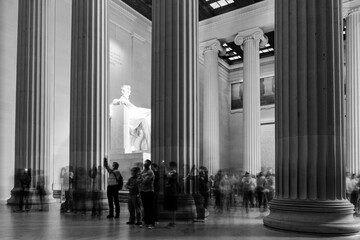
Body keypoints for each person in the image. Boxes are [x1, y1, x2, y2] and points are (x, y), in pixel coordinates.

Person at [112, 85, 151, 151]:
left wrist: (148, 111)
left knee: (144, 121)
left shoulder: (129, 103)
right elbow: (114, 102)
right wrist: (121, 102)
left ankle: (149, 146)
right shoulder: (119, 100)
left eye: (129, 91)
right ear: (122, 91)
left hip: (133, 122)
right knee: (143, 121)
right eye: (127, 91)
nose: (129, 93)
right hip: (126, 122)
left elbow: (137, 109)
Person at [138, 159, 155, 229]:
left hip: (149, 191)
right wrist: (140, 180)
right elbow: (138, 180)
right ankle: (145, 222)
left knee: (150, 207)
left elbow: (145, 181)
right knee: (145, 208)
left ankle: (151, 223)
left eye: (147, 163)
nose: (145, 164)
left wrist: (140, 179)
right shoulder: (142, 172)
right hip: (143, 191)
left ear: (149, 164)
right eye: (145, 162)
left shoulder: (150, 172)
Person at [162, 161, 179, 227]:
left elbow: (168, 175)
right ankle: (171, 221)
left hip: (173, 193)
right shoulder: (169, 172)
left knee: (173, 209)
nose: (170, 167)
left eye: (170, 166)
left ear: (173, 166)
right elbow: (165, 177)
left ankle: (173, 222)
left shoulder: (174, 173)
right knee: (169, 208)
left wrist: (165, 166)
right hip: (168, 192)